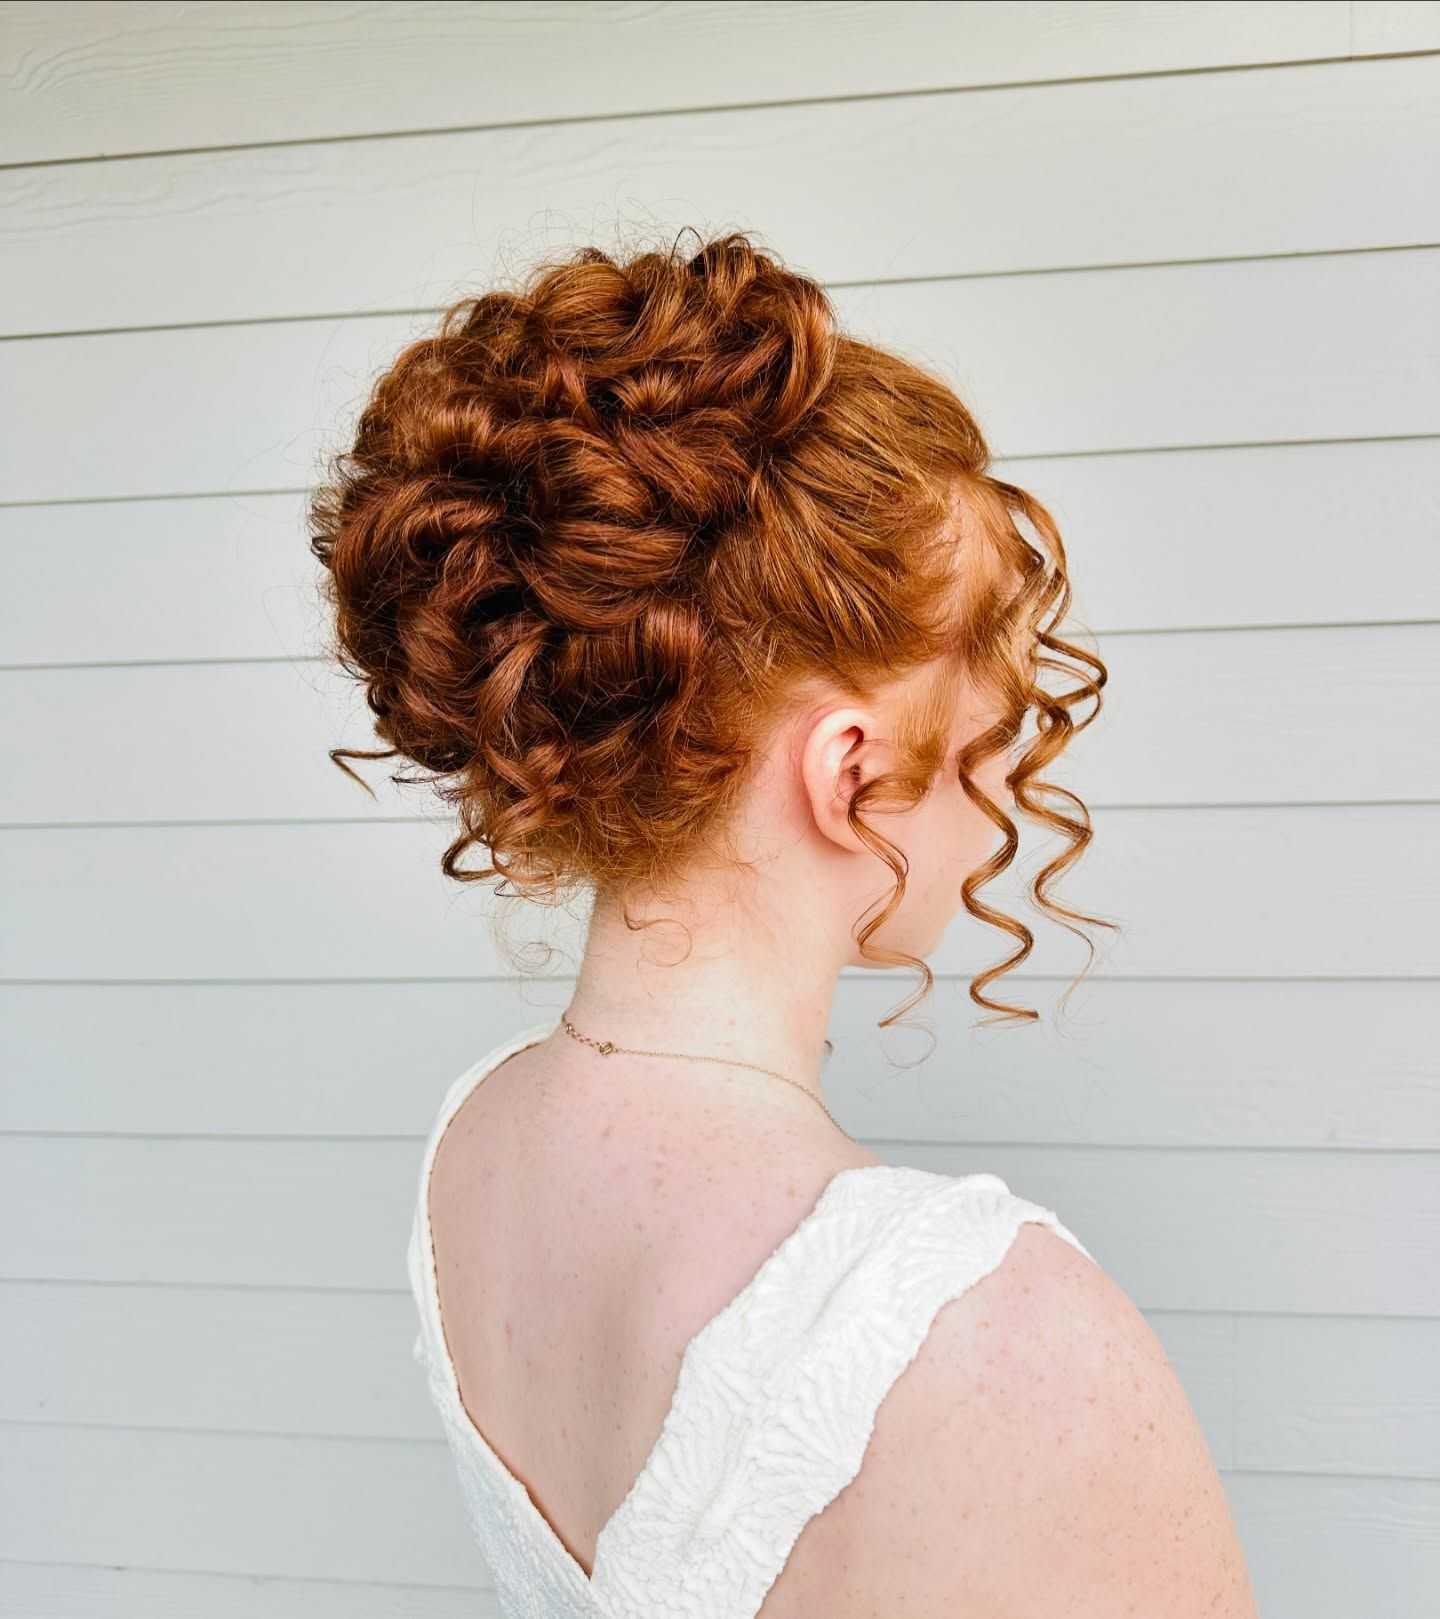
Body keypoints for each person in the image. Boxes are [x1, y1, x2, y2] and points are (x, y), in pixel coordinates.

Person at [309, 228, 1259, 1617]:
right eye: (993, 734)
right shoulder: (994, 1333)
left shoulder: (481, 1144)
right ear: (850, 772)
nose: (1005, 799)